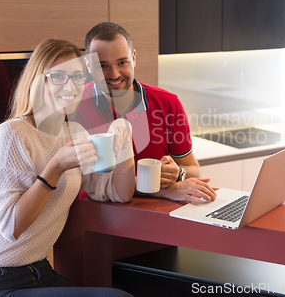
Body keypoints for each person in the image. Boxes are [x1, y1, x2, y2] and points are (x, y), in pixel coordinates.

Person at [0, 39, 134, 297]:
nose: (70, 85)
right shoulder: (12, 135)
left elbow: (119, 192)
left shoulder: (74, 133)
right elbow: (10, 226)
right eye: (59, 76)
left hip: (39, 272)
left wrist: (124, 137)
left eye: (77, 77)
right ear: (38, 81)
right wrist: (55, 167)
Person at [75, 22, 216, 203]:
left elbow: (192, 167)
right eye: (103, 66)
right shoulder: (74, 107)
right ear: (88, 64)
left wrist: (178, 173)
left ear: (133, 58)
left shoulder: (168, 103)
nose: (114, 74)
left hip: (156, 218)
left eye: (122, 62)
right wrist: (163, 189)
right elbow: (88, 180)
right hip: (93, 218)